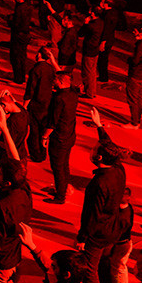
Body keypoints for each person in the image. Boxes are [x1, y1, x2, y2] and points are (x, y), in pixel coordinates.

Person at [76, 108, 128, 283]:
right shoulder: (118, 169)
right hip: (113, 228)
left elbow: (92, 214)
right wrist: (99, 127)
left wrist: (82, 237)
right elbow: (111, 148)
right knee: (106, 268)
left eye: (94, 150)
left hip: (99, 232)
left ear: (99, 158)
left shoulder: (99, 183)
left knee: (90, 270)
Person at [47, 71, 80, 204]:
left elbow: (53, 121)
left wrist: (44, 137)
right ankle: (63, 188)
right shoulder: (73, 93)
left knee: (58, 167)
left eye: (55, 80)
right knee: (64, 164)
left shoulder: (59, 98)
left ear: (60, 82)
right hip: (69, 134)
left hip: (59, 137)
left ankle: (60, 195)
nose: (53, 81)